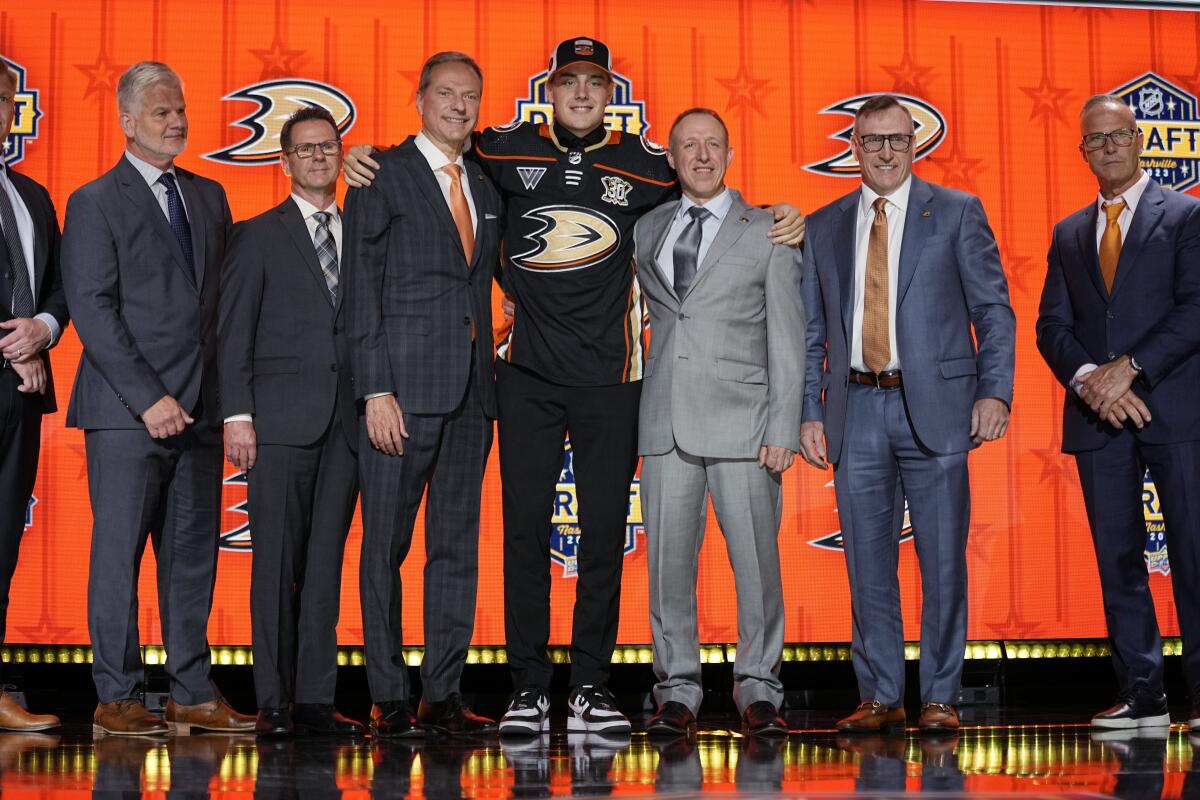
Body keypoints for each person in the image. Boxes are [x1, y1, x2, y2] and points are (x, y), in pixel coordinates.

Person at [342, 36, 804, 736]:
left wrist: (780, 213)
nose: (582, 93)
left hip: (611, 384)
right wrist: (360, 157)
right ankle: (528, 684)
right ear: (548, 90)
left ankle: (590, 683)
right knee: (522, 534)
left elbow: (711, 198)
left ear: (612, 92)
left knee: (602, 539)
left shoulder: (648, 165)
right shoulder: (500, 151)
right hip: (523, 377)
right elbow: (432, 157)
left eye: (595, 81)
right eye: (569, 82)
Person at [798, 93, 1015, 734]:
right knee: (868, 563)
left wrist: (994, 391)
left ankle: (941, 697)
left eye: (897, 139)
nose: (885, 151)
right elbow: (814, 332)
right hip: (856, 407)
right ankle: (881, 696)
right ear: (855, 148)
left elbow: (993, 312)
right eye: (872, 141)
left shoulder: (956, 212)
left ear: (914, 145)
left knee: (943, 561)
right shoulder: (824, 225)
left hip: (941, 407)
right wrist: (811, 410)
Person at [60, 61, 253, 736]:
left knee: (192, 558)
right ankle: (118, 697)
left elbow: (221, 311)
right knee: (117, 556)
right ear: (127, 120)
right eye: (162, 112)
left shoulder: (209, 195)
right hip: (126, 414)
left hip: (199, 411)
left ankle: (192, 692)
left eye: (180, 110)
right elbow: (92, 307)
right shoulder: (94, 200)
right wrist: (149, 399)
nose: (177, 122)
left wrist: (228, 405)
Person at [343, 51, 502, 738]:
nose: (459, 106)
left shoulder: (488, 184)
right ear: (419, 99)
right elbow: (359, 292)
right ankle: (388, 694)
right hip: (400, 396)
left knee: (456, 549)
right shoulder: (382, 174)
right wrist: (375, 388)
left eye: (470, 95)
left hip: (472, 393)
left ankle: (442, 693)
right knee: (384, 546)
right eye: (446, 93)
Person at [634, 108, 804, 738]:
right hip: (665, 424)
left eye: (713, 146)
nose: (701, 156)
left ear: (730, 155)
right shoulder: (646, 229)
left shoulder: (770, 230)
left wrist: (783, 426)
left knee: (757, 565)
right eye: (688, 146)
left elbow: (789, 333)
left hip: (747, 425)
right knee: (666, 569)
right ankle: (676, 690)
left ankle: (759, 688)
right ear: (672, 158)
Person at [1036, 94, 1200, 731]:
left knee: (1191, 554)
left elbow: (1194, 309)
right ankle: (1144, 695)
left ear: (1138, 140)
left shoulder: (1185, 216)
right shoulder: (1070, 232)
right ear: (1082, 152)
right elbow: (1052, 325)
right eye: (1092, 141)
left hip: (1175, 413)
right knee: (1118, 560)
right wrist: (1090, 381)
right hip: (1097, 419)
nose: (1105, 147)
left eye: (1116, 136)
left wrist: (1128, 368)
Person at [218, 106, 364, 737]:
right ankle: (274, 703)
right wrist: (237, 415)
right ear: (284, 161)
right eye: (304, 149)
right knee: (275, 566)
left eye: (327, 147)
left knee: (326, 565)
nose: (317, 157)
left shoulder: (363, 230)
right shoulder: (257, 235)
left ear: (340, 155)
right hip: (277, 423)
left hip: (348, 425)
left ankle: (314, 699)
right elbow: (232, 334)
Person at [0, 58, 67, 732]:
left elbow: (60, 287)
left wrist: (41, 330)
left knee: (1, 544)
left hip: (21, 399)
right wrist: (8, 345)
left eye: (4, 101)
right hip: (12, 374)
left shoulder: (32, 196)